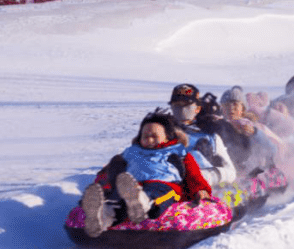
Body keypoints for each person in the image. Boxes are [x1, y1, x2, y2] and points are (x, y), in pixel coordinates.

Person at [80, 110, 212, 237]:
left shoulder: (178, 153)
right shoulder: (131, 152)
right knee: (117, 196)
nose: (149, 140)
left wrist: (200, 190)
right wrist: (102, 187)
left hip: (164, 186)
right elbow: (110, 171)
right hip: (131, 185)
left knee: (155, 193)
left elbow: (193, 175)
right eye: (145, 136)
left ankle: (143, 202)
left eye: (154, 136)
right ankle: (102, 216)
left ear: (167, 137)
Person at [168, 83, 237, 188]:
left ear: (197, 108)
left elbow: (231, 173)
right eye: (177, 105)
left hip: (205, 190)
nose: (182, 109)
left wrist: (208, 176)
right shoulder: (161, 133)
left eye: (187, 105)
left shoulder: (209, 136)